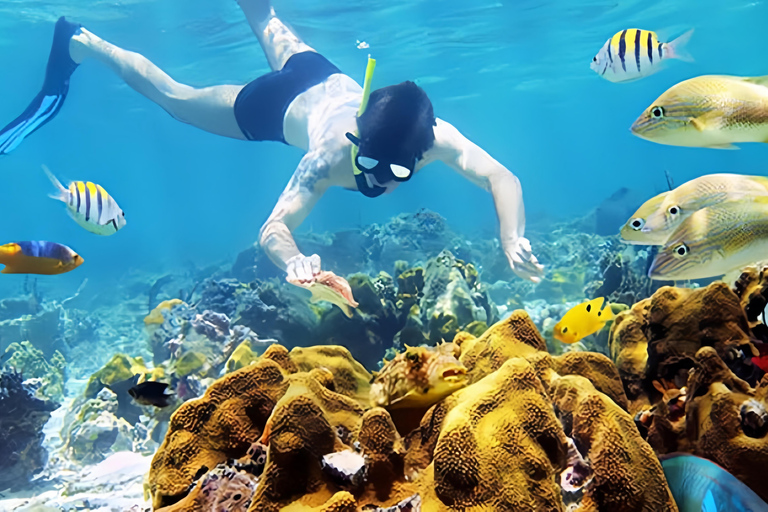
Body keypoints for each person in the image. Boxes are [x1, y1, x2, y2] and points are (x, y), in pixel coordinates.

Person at [0, 0, 545, 286]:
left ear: (422, 153)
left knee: (265, 15)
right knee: (176, 98)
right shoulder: (328, 158)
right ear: (357, 135)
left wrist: (510, 235)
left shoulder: (435, 138)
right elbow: (273, 228)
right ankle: (83, 42)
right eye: (370, 162)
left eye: (396, 174)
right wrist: (294, 260)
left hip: (321, 73)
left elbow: (503, 177)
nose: (376, 180)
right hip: (275, 106)